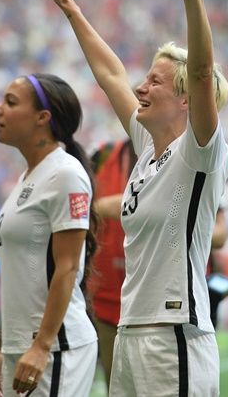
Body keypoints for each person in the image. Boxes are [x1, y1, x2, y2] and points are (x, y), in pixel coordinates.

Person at [46, 0, 228, 396]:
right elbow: (109, 72)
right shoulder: (149, 150)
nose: (140, 88)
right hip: (131, 331)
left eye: (154, 81)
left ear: (187, 98)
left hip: (175, 338)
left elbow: (204, 69)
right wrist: (71, 9)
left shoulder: (199, 152)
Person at [0, 73, 99, 397]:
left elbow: (67, 268)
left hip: (55, 348)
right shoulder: (28, 176)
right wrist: (2, 345)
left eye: (10, 102)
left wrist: (41, 347)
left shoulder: (65, 174)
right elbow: (21, 275)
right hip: (22, 346)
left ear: (42, 118)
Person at [88, 139, 136, 390]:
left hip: (161, 307)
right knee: (116, 387)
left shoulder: (184, 151)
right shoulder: (104, 154)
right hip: (107, 301)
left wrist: (125, 205)